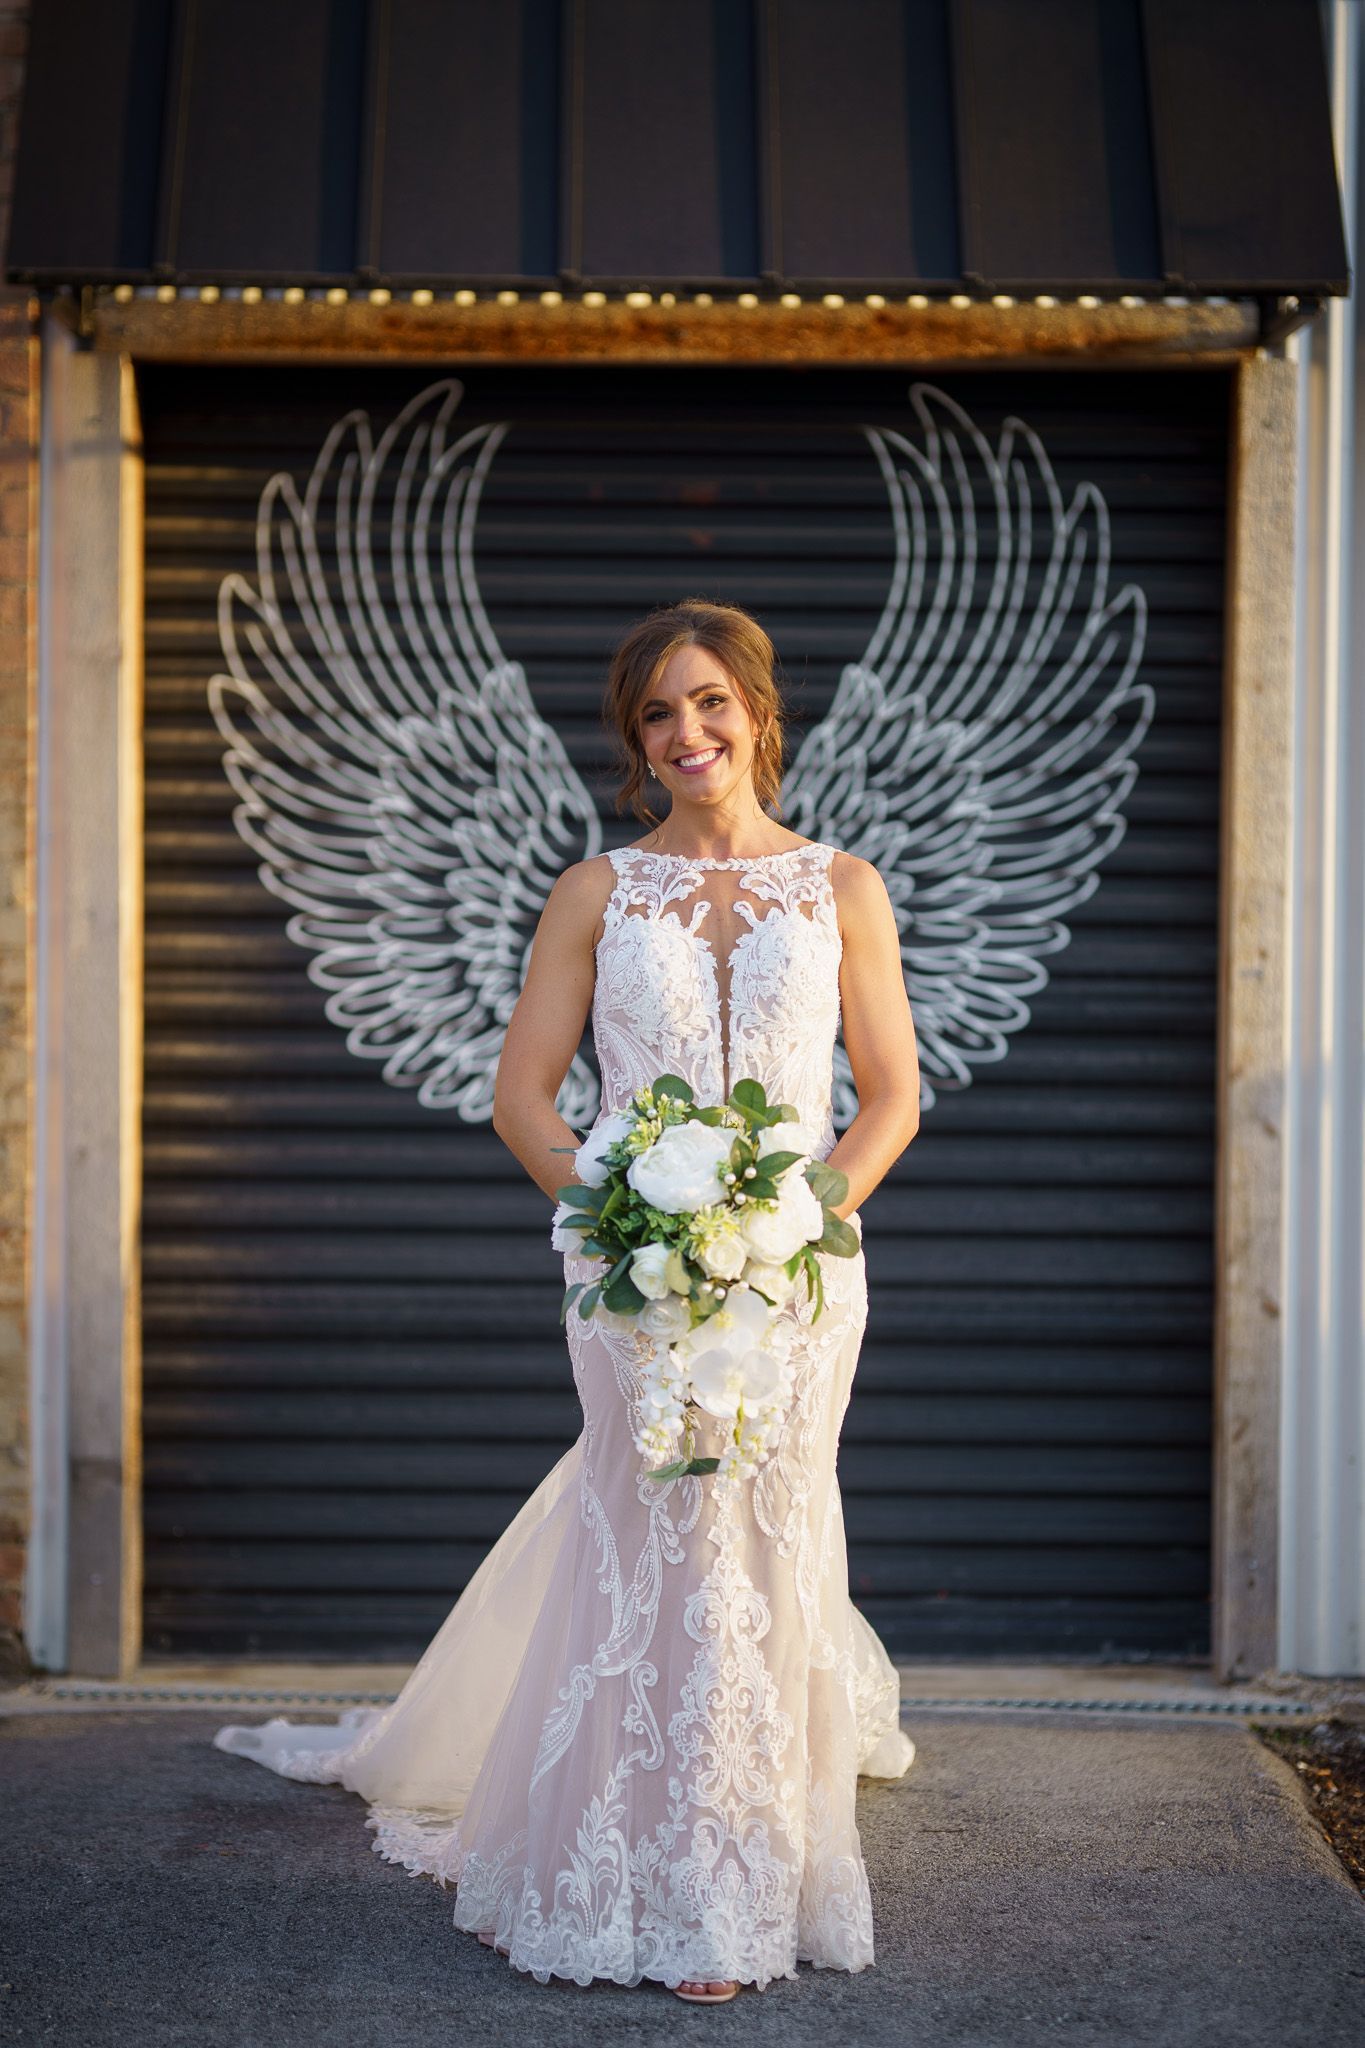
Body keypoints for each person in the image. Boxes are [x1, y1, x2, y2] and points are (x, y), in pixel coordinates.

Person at [213, 597, 922, 2003]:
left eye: (709, 702)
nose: (686, 733)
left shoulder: (842, 885)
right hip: (627, 1274)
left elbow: (890, 1098)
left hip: (796, 1280)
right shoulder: (596, 891)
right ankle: (591, 1858)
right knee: (646, 1544)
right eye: (657, 713)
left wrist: (799, 1217)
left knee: (761, 1550)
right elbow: (522, 1097)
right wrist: (612, 1214)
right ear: (633, 741)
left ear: (758, 713)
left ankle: (735, 1873)